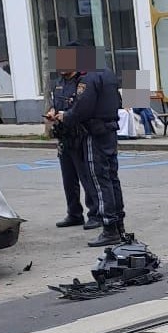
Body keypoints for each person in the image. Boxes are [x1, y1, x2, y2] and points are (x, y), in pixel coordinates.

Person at [62, 49, 127, 247]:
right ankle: (118, 224)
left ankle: (109, 227)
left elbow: (82, 108)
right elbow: (118, 102)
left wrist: (65, 116)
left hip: (94, 132)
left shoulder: (88, 78)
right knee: (112, 178)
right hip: (109, 130)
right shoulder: (108, 74)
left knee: (99, 179)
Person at [48, 50, 99, 231]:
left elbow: (81, 107)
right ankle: (74, 213)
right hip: (63, 135)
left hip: (78, 135)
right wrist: (52, 112)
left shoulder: (81, 82)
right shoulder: (59, 83)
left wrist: (66, 115)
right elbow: (56, 104)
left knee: (86, 177)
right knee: (68, 179)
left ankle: (95, 213)